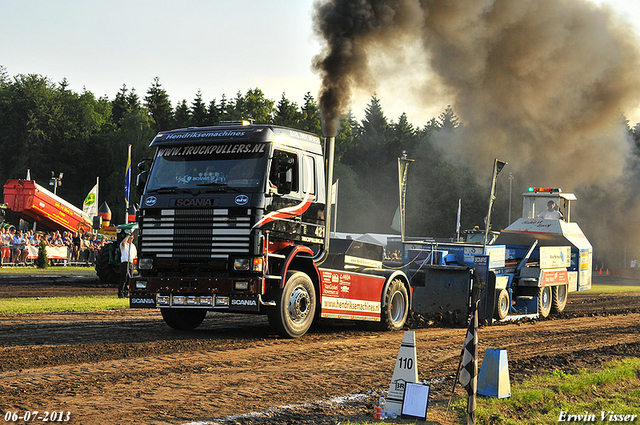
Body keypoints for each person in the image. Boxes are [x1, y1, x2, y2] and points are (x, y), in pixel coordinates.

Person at [118, 234, 137, 298]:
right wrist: (127, 236)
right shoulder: (124, 245)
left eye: (132, 238)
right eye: (130, 238)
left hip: (131, 263)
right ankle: (120, 293)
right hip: (125, 263)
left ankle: (126, 293)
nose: (131, 240)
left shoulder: (133, 246)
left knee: (129, 279)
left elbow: (135, 256)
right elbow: (123, 243)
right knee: (124, 278)